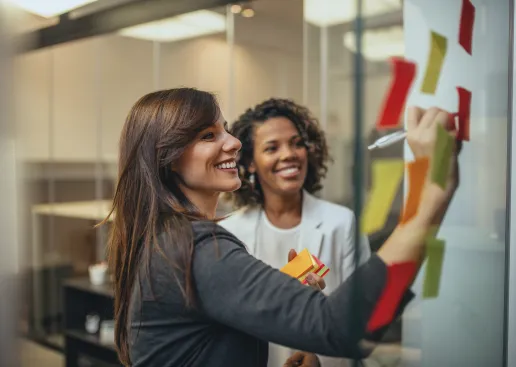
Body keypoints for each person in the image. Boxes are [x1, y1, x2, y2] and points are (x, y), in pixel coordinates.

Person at [102, 87, 460, 367]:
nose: (234, 143)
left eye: (225, 130)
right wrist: (431, 195)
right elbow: (340, 328)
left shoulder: (169, 240)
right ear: (169, 158)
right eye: (208, 136)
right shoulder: (197, 248)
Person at [219, 98, 371, 366]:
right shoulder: (229, 233)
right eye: (272, 147)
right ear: (250, 163)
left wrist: (317, 305)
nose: (289, 154)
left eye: (297, 143)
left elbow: (364, 319)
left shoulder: (341, 223)